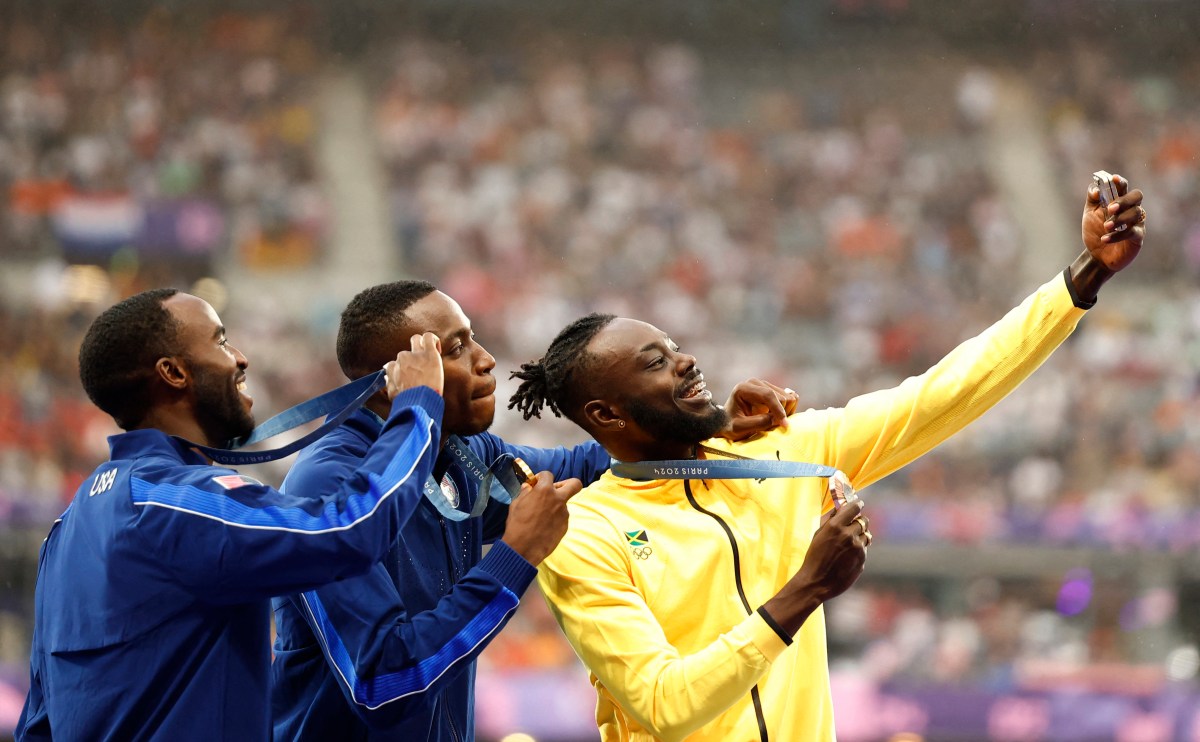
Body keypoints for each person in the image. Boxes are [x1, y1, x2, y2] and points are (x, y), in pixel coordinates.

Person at [508, 177, 1147, 741]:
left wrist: (1085, 276)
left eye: (675, 347)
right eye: (656, 363)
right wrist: (806, 588)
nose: (686, 361)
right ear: (606, 416)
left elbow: (945, 393)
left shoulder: (782, 451)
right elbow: (664, 705)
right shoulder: (585, 533)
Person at [269, 280, 797, 741]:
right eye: (455, 349)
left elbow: (588, 463)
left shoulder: (457, 455)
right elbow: (385, 685)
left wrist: (705, 420)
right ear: (398, 378)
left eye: (472, 336)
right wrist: (515, 554)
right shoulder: (326, 489)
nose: (486, 358)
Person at [15, 288, 447, 741]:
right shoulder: (173, 501)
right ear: (174, 372)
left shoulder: (64, 533)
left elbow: (39, 723)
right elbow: (348, 529)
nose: (240, 358)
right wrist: (418, 408)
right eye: (221, 342)